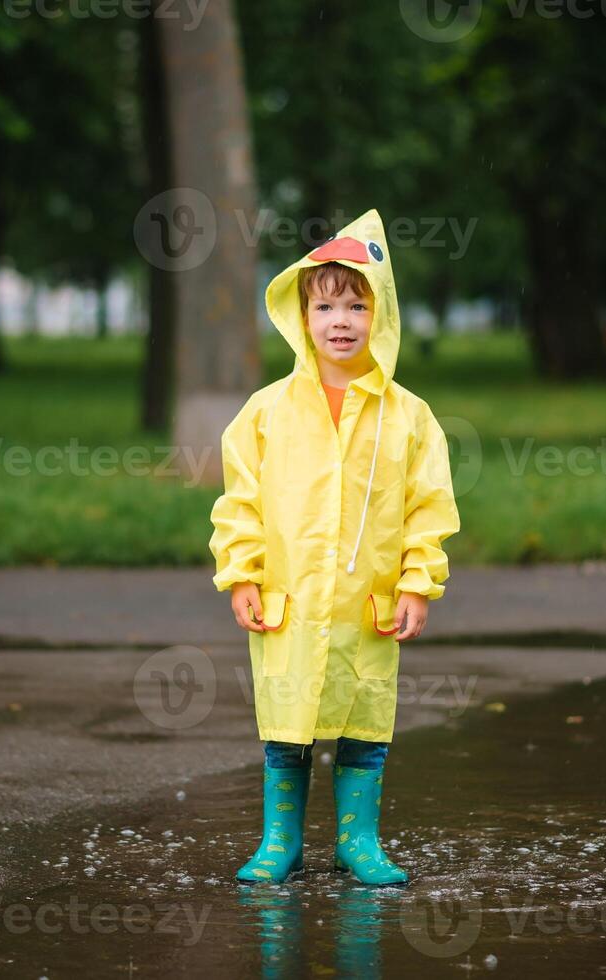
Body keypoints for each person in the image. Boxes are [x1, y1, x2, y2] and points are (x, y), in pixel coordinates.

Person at [208, 208, 461, 886]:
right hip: (289, 602)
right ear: (303, 314)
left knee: (365, 722)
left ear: (381, 315)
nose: (341, 320)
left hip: (365, 606)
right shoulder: (265, 412)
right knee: (285, 725)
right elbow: (241, 504)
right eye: (326, 306)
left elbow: (428, 508)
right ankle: (279, 841)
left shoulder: (409, 417)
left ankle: (359, 841)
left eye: (357, 304)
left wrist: (416, 582)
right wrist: (242, 575)